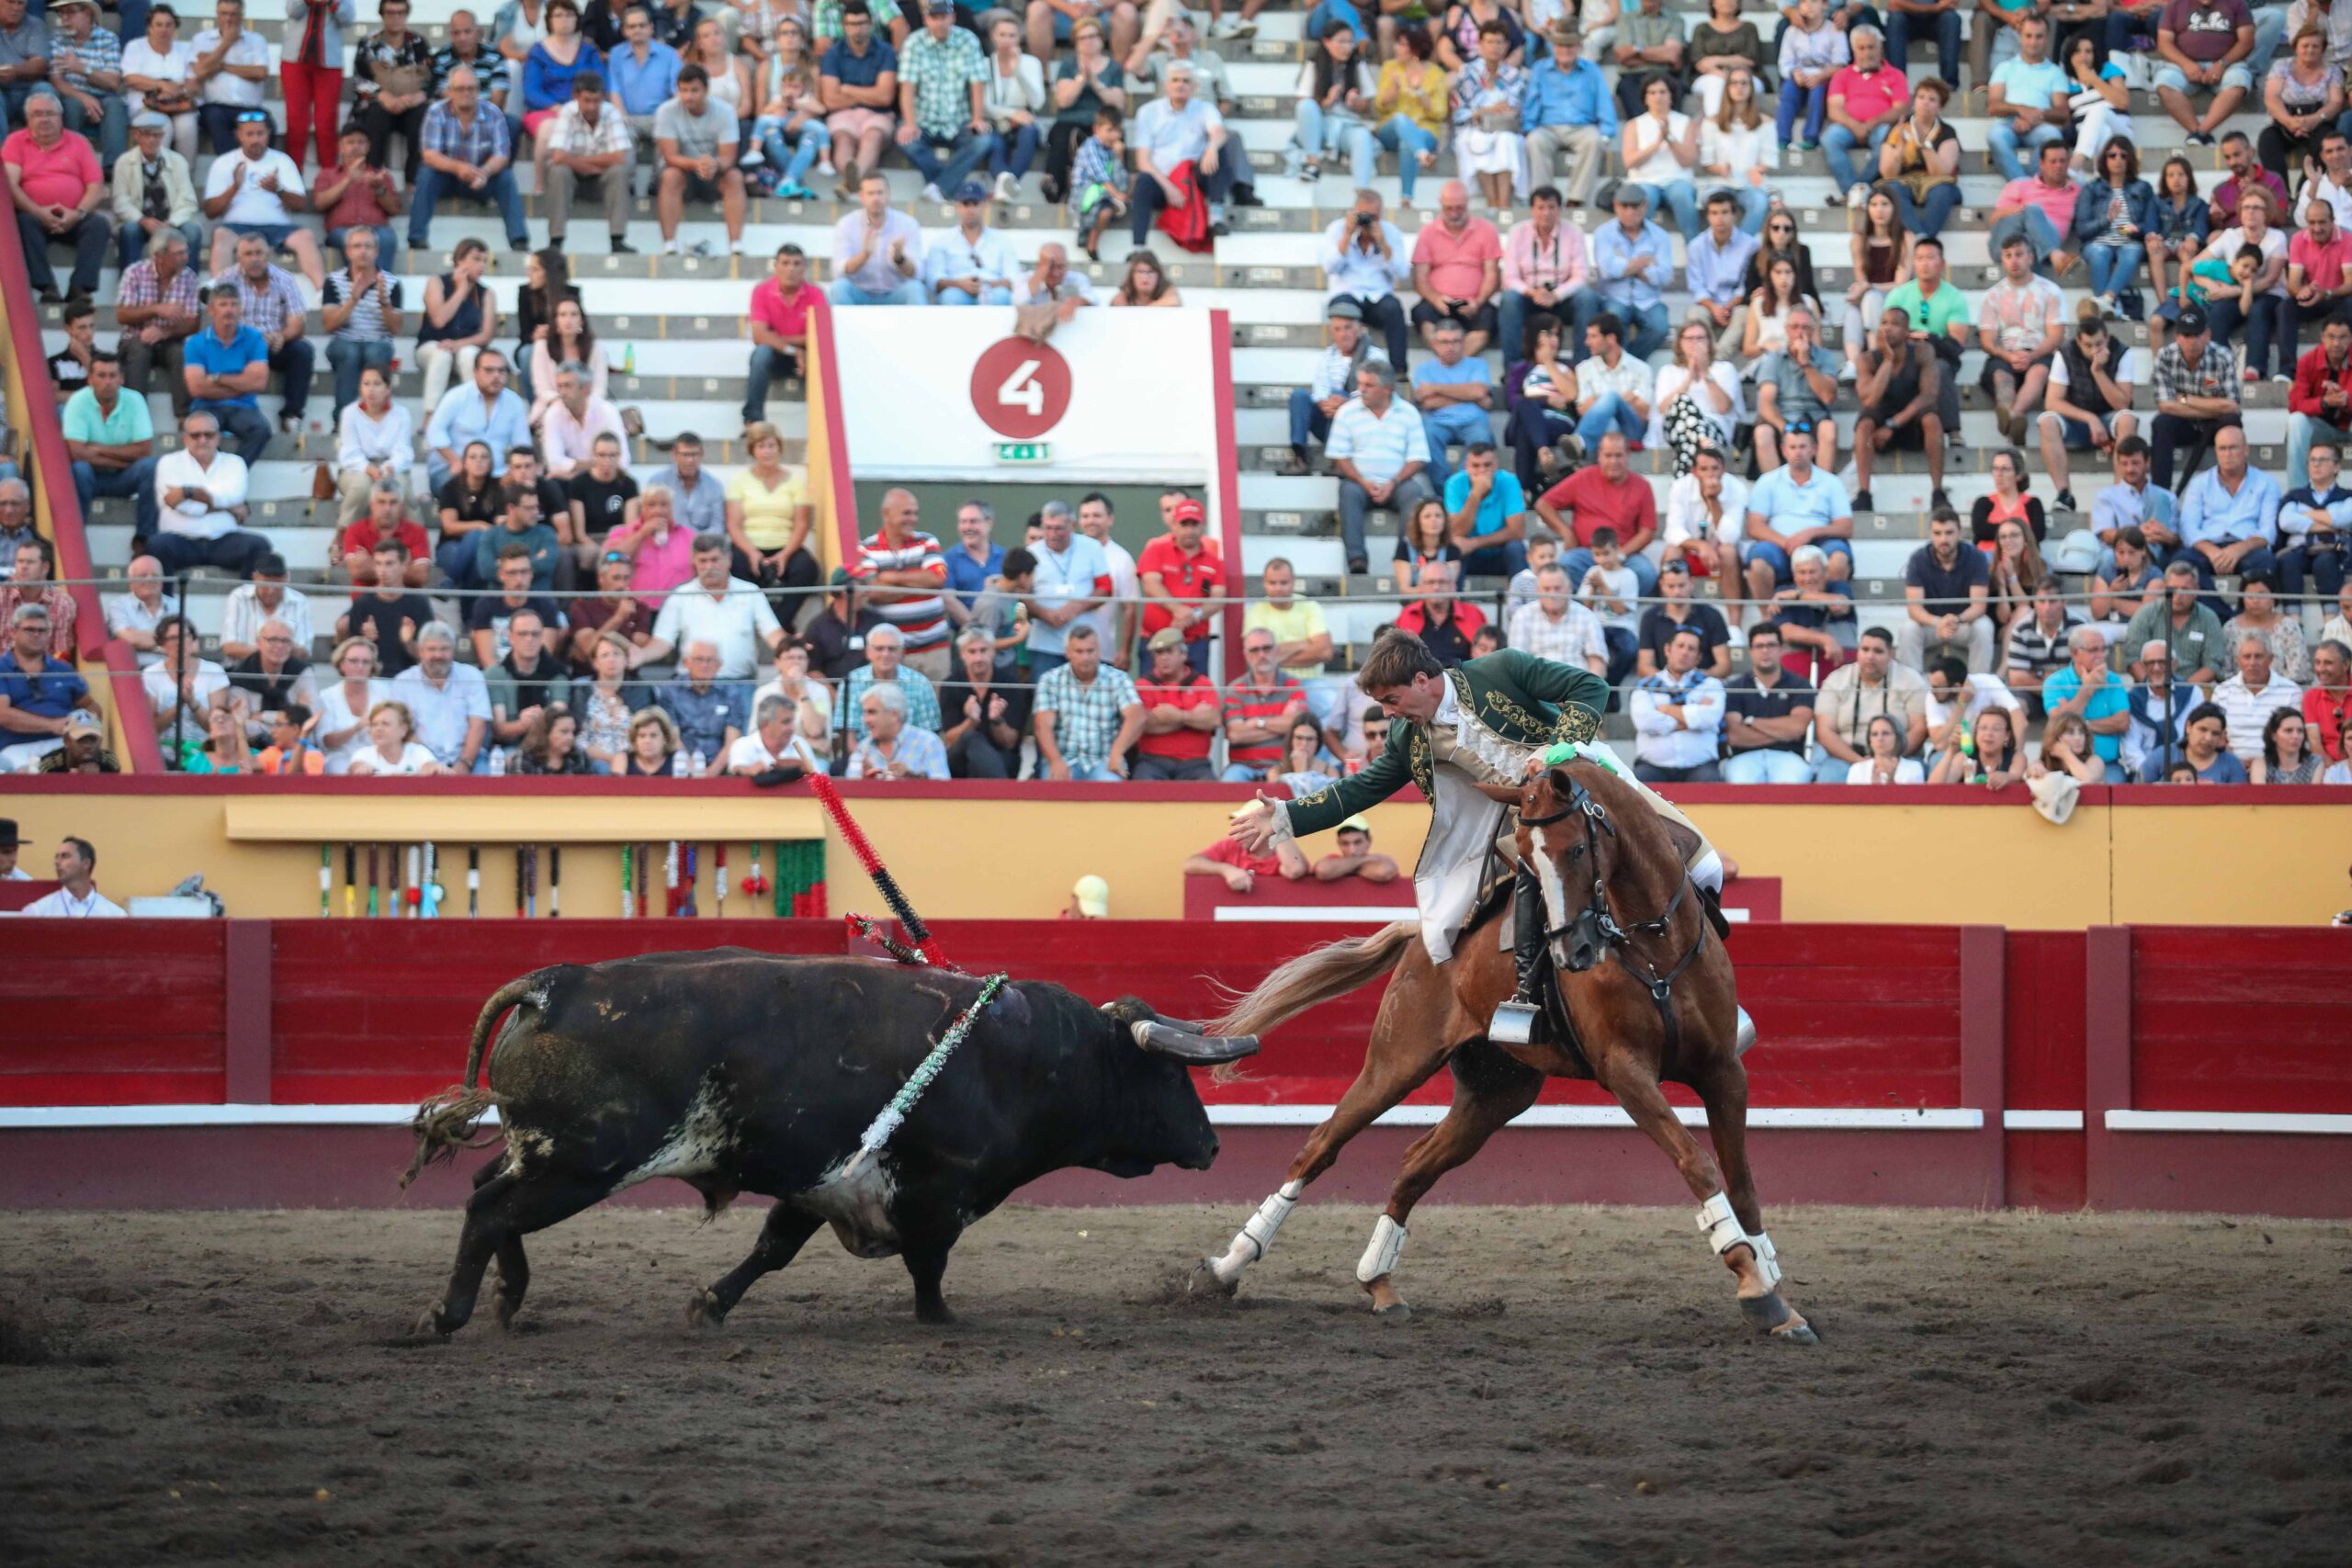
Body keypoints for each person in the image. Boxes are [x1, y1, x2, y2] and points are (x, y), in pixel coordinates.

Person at [1228, 627, 1732, 1038]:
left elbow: (1590, 688)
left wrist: (1557, 749)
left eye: (1392, 699)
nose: (1388, 713)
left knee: (1705, 867)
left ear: (1422, 680)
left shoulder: (1501, 669)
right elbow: (1358, 790)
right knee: (1532, 891)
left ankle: (1710, 994)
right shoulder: (1408, 736)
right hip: (1525, 822)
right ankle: (1527, 999)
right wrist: (1287, 816)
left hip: (1586, 783)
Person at [5, 90, 113, 306]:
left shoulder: (79, 142)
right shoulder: (15, 141)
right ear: (27, 119)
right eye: (37, 114)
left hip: (73, 216)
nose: (44, 119)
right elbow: (10, 184)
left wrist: (77, 213)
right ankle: (47, 287)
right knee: (23, 222)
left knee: (99, 224)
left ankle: (79, 288)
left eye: (50, 114)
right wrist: (37, 212)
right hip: (33, 216)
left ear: (61, 117)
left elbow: (95, 185)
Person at [413, 66, 530, 252]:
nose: (466, 93)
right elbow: (429, 154)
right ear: (449, 91)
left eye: (471, 88)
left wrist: (484, 172)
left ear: (478, 90)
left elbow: (502, 155)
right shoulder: (436, 111)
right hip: (447, 177)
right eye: (460, 89)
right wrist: (459, 168)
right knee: (426, 174)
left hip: (481, 177)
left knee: (505, 177)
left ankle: (519, 240)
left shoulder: (493, 113)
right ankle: (416, 238)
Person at [1849, 310, 1947, 516]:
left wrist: (1893, 424)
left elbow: (1929, 395)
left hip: (1911, 421)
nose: (1887, 328)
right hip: (1880, 424)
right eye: (1884, 322)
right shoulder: (1867, 359)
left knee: (1932, 420)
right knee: (1864, 425)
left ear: (1906, 331)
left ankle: (1938, 492)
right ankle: (1864, 494)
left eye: (1895, 324)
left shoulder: (1922, 352)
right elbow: (1869, 400)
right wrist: (1887, 361)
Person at [150, 410, 266, 579]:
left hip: (224, 541)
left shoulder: (235, 463)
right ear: (185, 438)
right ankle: (165, 597)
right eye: (195, 435)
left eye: (209, 435)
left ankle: (244, 595)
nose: (202, 440)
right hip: (181, 542)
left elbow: (233, 496)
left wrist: (187, 492)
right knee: (156, 545)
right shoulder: (168, 463)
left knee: (259, 545)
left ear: (218, 437)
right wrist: (228, 507)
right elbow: (185, 506)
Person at [64, 351, 160, 541]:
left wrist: (99, 448)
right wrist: (123, 460)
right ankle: (75, 537)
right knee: (80, 469)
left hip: (123, 476)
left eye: (112, 375)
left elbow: (144, 450)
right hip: (91, 476)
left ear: (121, 379)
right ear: (90, 379)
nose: (107, 382)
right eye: (101, 375)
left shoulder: (135, 400)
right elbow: (78, 453)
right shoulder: (77, 401)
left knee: (151, 466)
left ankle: (145, 539)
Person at [2148, 304, 2245, 490]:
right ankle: (2161, 494)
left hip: (2215, 424)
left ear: (2207, 335)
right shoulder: (2164, 357)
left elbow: (2232, 406)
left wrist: (2185, 399)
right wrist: (2213, 408)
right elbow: (2165, 406)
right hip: (2187, 423)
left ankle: (2235, 487)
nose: (2192, 341)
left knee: (2232, 421)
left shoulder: (2223, 356)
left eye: (2197, 334)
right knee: (2161, 423)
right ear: (2177, 337)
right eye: (2186, 335)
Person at [1811, 625, 1926, 781]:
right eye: (1865, 650)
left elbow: (1919, 728)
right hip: (1846, 757)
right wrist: (1860, 763)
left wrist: (1887, 759)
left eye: (1878, 651)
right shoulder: (1836, 679)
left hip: (1900, 757)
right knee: (1828, 777)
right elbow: (1825, 731)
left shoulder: (1910, 679)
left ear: (1891, 654)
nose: (1870, 657)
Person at [1032, 624, 1141, 781]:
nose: (1085, 658)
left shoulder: (1118, 679)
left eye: (1090, 651)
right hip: (1063, 759)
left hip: (1105, 761)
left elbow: (1136, 716)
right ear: (1068, 653)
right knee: (1055, 787)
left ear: (1099, 651)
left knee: (1111, 787)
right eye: (1079, 651)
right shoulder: (1050, 680)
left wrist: (1117, 753)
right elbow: (1043, 726)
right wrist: (1055, 761)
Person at [1718, 621, 1815, 782]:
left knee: (1792, 783)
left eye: (1771, 645)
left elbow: (1797, 729)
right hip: (1743, 758)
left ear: (1781, 649)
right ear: (1750, 651)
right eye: (1759, 646)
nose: (1765, 651)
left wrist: (1751, 721)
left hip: (1788, 756)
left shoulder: (1800, 685)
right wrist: (1783, 733)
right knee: (1740, 783)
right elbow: (1735, 736)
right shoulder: (1735, 687)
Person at [1896, 509, 1993, 672]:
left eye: (1949, 533)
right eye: (1937, 533)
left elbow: (1979, 607)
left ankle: (1978, 683)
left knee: (1984, 627)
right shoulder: (1918, 558)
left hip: (1962, 624)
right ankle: (1912, 685)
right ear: (1931, 534)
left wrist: (1956, 619)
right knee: (1908, 629)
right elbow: (1914, 609)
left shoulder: (1976, 557)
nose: (1943, 539)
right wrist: (1938, 622)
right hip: (1931, 625)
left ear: (1959, 533)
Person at [424, 348, 532, 493]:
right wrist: (456, 462)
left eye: (501, 371)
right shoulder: (456, 397)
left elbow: (522, 444)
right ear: (475, 372)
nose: (496, 376)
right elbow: (434, 432)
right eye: (489, 370)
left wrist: (512, 472)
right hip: (454, 470)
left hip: (497, 473)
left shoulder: (514, 402)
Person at [2154, 0, 2257, 145]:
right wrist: (2186, 64)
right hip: (2184, 64)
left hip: (2227, 64)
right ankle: (2200, 134)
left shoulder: (2237, 3)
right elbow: (2164, 43)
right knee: (2164, 83)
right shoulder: (2175, 4)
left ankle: (2200, 133)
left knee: (2240, 81)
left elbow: (2247, 41)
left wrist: (2222, 64)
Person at [1628, 626, 1724, 782]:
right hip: (1652, 767)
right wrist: (1692, 716)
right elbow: (1645, 722)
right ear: (1668, 650)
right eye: (1680, 646)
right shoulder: (1645, 685)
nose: (1685, 652)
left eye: (1691, 649)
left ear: (1699, 657)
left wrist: (1666, 709)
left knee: (1712, 783)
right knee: (1635, 785)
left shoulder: (1711, 685)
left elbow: (1709, 718)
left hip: (1701, 767)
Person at [1589, 186, 1672, 359]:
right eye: (1624, 206)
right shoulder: (1603, 233)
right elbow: (1608, 270)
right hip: (1614, 298)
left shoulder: (1660, 235)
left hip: (1648, 300)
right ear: (1615, 206)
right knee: (1613, 324)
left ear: (1645, 205)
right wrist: (1645, 263)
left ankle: (1630, 362)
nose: (1630, 212)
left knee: (1660, 327)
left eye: (1635, 206)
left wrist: (1624, 264)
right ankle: (1625, 365)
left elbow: (1664, 276)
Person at [1877, 76, 1962, 239]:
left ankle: (1921, 241)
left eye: (1932, 100)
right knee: (1892, 189)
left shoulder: (1947, 132)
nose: (1925, 103)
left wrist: (1925, 145)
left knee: (1942, 191)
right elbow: (1888, 174)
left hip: (1934, 182)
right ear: (1914, 101)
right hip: (1905, 180)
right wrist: (1899, 149)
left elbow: (1941, 173)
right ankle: (1921, 239)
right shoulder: (1898, 128)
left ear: (1940, 107)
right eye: (1921, 97)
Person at [743, 243, 812, 426]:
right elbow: (759, 335)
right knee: (761, 354)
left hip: (806, 355)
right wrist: (794, 350)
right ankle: (753, 421)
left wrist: (776, 338)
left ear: (804, 267)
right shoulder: (761, 291)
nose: (791, 269)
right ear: (775, 266)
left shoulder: (816, 294)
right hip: (778, 356)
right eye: (785, 263)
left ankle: (829, 423)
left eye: (796, 263)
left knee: (824, 356)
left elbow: (820, 334)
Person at [2226, 570, 2313, 682]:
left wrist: (2271, 686)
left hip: (2282, 689)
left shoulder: (2288, 627)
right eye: (2250, 596)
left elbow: (2299, 670)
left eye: (2262, 595)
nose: (2255, 601)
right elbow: (2225, 671)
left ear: (2273, 596)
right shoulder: (2230, 628)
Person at [17, 837, 124, 917]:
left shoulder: (115, 914)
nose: (57, 862)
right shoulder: (38, 912)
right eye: (57, 857)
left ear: (86, 863)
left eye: (65, 856)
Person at [2148, 699, 2251, 780]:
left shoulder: (2232, 764)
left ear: (2221, 736)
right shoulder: (2163, 755)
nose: (2208, 738)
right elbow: (2140, 790)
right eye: (2203, 729)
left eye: (2215, 733)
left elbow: (2241, 799)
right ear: (2188, 727)